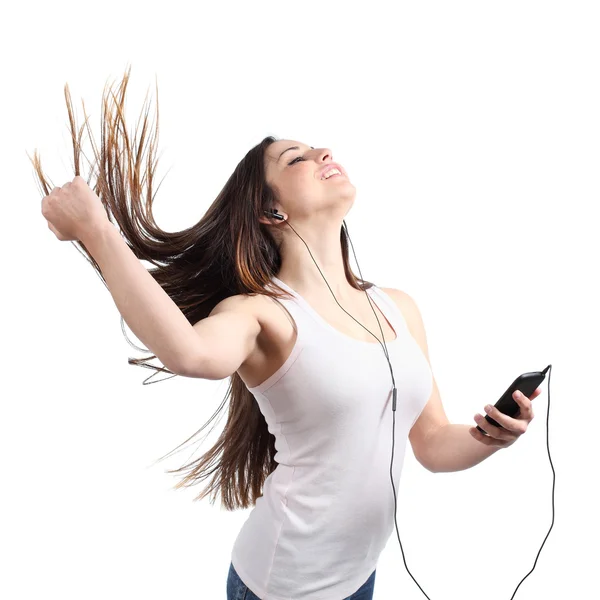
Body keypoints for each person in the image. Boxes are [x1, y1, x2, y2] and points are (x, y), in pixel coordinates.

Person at [35, 70, 445, 600]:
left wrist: (490, 433)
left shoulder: (398, 308)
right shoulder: (261, 314)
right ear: (269, 211)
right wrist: (96, 231)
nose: (322, 152)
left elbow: (435, 445)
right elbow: (189, 352)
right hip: (283, 586)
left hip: (358, 576)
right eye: (297, 158)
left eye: (317, 147)